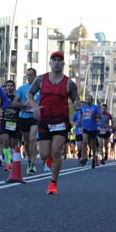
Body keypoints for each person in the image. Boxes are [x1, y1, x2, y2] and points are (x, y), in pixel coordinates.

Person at [26, 50, 79, 195]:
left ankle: (53, 183)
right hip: (44, 120)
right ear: (50, 63)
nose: (56, 62)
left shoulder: (69, 83)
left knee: (56, 152)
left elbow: (76, 100)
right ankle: (51, 163)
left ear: (63, 63)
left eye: (59, 60)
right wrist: (35, 107)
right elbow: (29, 94)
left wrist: (77, 104)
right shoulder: (41, 79)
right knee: (44, 155)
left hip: (60, 121)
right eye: (54, 60)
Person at [13, 68, 40, 173]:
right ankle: (29, 159)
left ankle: (33, 163)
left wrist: (38, 107)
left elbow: (45, 102)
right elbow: (15, 103)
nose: (29, 77)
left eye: (31, 75)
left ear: (35, 76)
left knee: (33, 138)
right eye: (27, 75)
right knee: (27, 141)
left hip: (35, 117)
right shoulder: (22, 88)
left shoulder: (40, 89)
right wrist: (24, 104)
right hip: (23, 116)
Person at [76, 96, 102, 167]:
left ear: (92, 100)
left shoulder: (95, 107)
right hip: (85, 127)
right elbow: (81, 114)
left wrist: (95, 115)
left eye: (90, 99)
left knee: (93, 145)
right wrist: (79, 120)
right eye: (87, 99)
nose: (88, 100)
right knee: (84, 142)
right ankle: (84, 157)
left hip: (93, 128)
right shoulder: (83, 107)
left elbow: (100, 116)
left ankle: (94, 158)